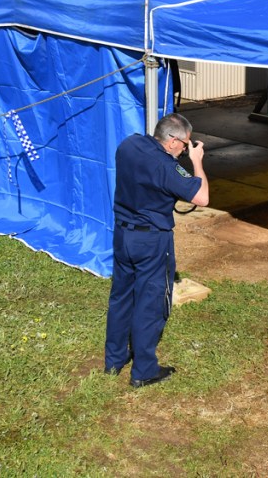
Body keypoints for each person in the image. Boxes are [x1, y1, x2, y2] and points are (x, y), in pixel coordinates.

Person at [104, 112, 209, 388]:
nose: (186, 150)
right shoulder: (165, 167)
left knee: (121, 296)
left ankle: (114, 359)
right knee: (150, 304)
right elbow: (202, 197)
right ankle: (144, 370)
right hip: (151, 241)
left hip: (123, 234)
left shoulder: (129, 145)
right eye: (185, 145)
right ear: (173, 141)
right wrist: (197, 163)